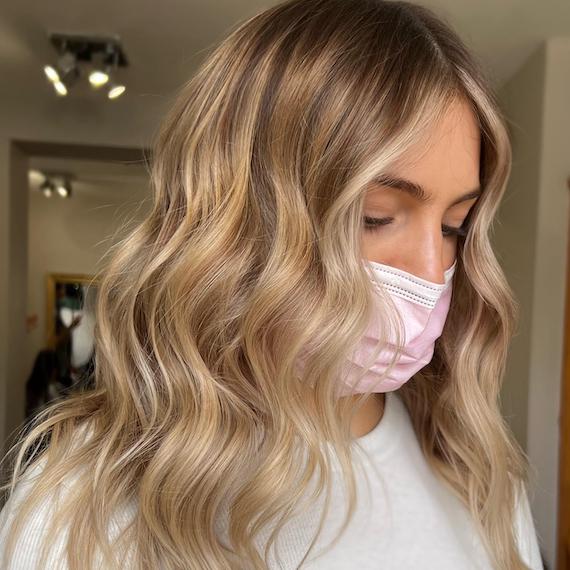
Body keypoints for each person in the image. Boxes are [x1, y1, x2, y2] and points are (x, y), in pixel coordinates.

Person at [0, 1, 545, 568]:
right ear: (241, 223)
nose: (433, 272)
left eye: (454, 226)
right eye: (374, 216)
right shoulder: (82, 506)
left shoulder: (478, 475)